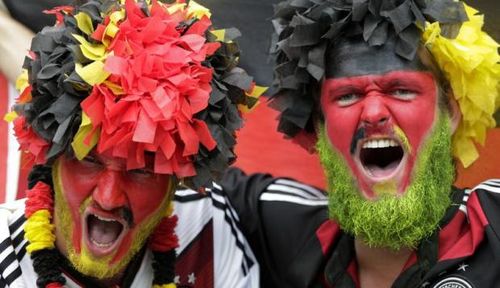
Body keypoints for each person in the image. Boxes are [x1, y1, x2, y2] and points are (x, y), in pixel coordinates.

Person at [193, 0, 500, 287]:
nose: (374, 113)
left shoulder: (493, 220)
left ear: (451, 115)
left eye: (401, 90)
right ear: (319, 128)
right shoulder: (288, 231)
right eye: (348, 96)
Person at [0, 0, 265, 287]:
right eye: (89, 160)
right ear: (51, 159)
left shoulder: (207, 227)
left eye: (141, 170)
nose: (108, 198)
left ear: (175, 179)